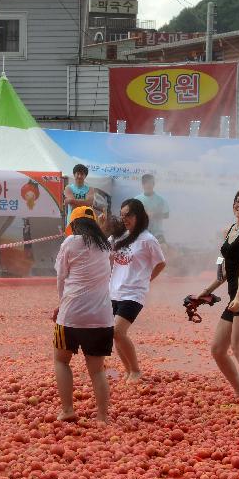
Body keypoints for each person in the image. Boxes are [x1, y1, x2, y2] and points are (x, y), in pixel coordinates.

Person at [195, 187, 239, 402]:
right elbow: (223, 270)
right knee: (217, 349)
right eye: (238, 201)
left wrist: (238, 298)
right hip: (235, 295)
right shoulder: (229, 230)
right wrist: (205, 293)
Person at [53, 206, 113, 424]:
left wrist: (61, 303)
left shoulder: (70, 242)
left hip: (72, 314)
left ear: (74, 224)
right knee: (97, 371)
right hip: (101, 316)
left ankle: (68, 409)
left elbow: (61, 277)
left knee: (61, 360)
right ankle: (102, 417)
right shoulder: (106, 245)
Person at [109, 199, 166, 384]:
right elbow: (103, 248)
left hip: (134, 293)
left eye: (129, 215)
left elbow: (161, 263)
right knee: (114, 334)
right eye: (122, 215)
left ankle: (136, 370)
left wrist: (146, 279)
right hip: (114, 291)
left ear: (139, 216)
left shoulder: (148, 239)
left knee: (118, 331)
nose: (125, 219)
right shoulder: (119, 236)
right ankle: (128, 371)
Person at [134, 174, 170, 244]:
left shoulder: (161, 200)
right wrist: (144, 214)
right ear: (142, 184)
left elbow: (166, 215)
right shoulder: (136, 199)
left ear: (153, 184)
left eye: (150, 183)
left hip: (157, 234)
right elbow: (133, 216)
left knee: (164, 252)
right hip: (141, 233)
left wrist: (155, 214)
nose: (148, 185)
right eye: (145, 183)